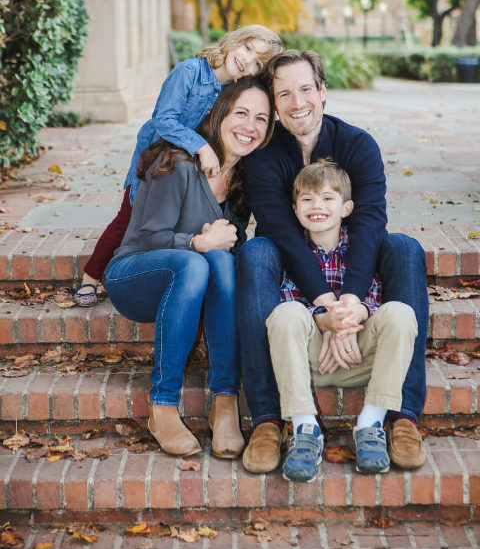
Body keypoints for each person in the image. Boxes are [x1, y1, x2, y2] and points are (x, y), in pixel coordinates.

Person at [237, 49, 428, 474]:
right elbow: (281, 231)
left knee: (404, 247)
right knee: (255, 251)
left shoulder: (357, 144)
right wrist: (324, 305)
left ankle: (403, 418)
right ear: (273, 100)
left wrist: (353, 303)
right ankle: (269, 419)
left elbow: (369, 224)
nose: (297, 101)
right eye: (283, 93)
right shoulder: (265, 156)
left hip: (354, 285)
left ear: (322, 92)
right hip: (298, 288)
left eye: (305, 89)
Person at [105, 77, 275, 458]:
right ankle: (162, 405)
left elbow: (228, 247)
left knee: (219, 261)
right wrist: (198, 243)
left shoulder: (243, 181)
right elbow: (149, 238)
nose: (250, 126)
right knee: (196, 262)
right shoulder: (177, 161)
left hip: (191, 289)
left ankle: (225, 402)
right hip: (135, 277)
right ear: (220, 114)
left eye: (261, 119)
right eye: (242, 113)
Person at [74, 25, 283, 306]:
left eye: (257, 62)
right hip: (154, 157)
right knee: (129, 213)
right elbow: (164, 119)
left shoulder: (230, 90)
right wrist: (201, 147)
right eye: (247, 48)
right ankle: (91, 276)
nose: (247, 59)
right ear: (235, 40)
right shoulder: (189, 71)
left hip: (184, 162)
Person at [267, 159, 418, 481]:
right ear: (295, 209)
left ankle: (371, 422)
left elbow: (374, 296)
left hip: (360, 359)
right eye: (307, 199)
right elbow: (288, 299)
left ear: (347, 207)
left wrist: (352, 317)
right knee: (286, 313)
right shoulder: (291, 252)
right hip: (309, 363)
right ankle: (305, 426)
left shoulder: (362, 248)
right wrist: (326, 322)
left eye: (327, 198)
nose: (316, 206)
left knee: (400, 313)